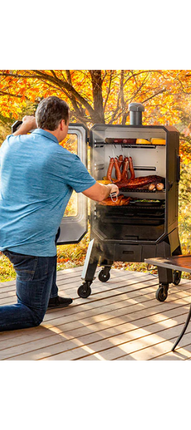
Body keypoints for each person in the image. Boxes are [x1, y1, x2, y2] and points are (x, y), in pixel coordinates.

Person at [0, 96, 119, 332]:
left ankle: (50, 294)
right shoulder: (63, 158)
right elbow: (97, 194)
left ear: (38, 120)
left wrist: (28, 123)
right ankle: (41, 300)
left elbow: (14, 135)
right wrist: (111, 188)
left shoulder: (11, 145)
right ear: (63, 125)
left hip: (6, 236)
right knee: (31, 312)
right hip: (31, 248)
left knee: (52, 230)